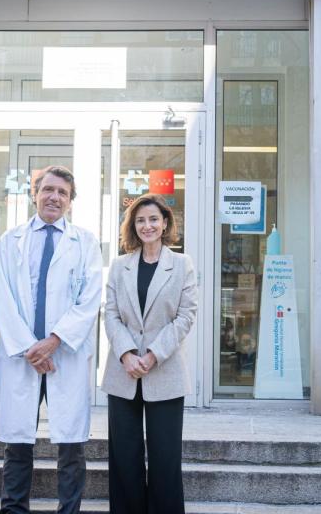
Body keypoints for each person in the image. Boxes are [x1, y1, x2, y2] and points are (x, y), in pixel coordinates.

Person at [0, 165, 102, 514]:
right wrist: (31, 348)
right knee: (17, 444)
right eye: (48, 190)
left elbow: (90, 299)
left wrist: (54, 340)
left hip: (64, 355)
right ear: (34, 194)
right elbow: (2, 299)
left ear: (70, 202)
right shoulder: (11, 241)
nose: (55, 197)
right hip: (22, 357)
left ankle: (68, 511)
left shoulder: (84, 242)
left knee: (71, 445)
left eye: (63, 193)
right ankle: (13, 510)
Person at [101, 193, 197, 514]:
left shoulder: (182, 265)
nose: (147, 225)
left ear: (165, 222)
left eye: (153, 219)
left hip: (165, 371)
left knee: (164, 459)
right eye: (140, 220)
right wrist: (127, 353)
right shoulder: (119, 266)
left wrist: (154, 354)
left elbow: (185, 316)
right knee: (124, 460)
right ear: (132, 225)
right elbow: (110, 314)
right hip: (123, 373)